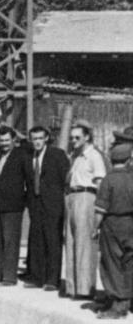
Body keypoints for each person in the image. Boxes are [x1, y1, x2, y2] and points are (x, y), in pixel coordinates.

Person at [61, 124, 107, 301]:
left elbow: (100, 182)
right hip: (72, 197)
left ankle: (86, 288)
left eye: (77, 138)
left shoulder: (94, 156)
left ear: (87, 137)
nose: (73, 141)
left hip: (87, 196)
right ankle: (72, 287)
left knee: (84, 244)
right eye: (71, 138)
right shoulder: (76, 156)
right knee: (71, 241)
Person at [88, 139, 133, 319]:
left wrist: (94, 228)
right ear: (128, 160)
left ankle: (117, 304)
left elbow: (100, 210)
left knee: (111, 263)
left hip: (112, 224)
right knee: (129, 263)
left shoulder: (108, 180)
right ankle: (128, 300)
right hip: (130, 224)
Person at [22, 125, 70, 290]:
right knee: (37, 241)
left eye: (40, 138)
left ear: (46, 138)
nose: (37, 142)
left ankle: (52, 280)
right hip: (35, 204)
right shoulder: (29, 156)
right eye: (34, 139)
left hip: (53, 205)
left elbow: (66, 179)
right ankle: (37, 277)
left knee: (52, 241)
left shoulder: (57, 155)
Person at [0, 126, 30, 286]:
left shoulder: (21, 154)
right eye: (1, 141)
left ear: (14, 140)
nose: (4, 144)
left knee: (11, 241)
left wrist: (23, 200)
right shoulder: (0, 155)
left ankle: (9, 277)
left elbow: (29, 178)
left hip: (14, 204)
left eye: (7, 140)